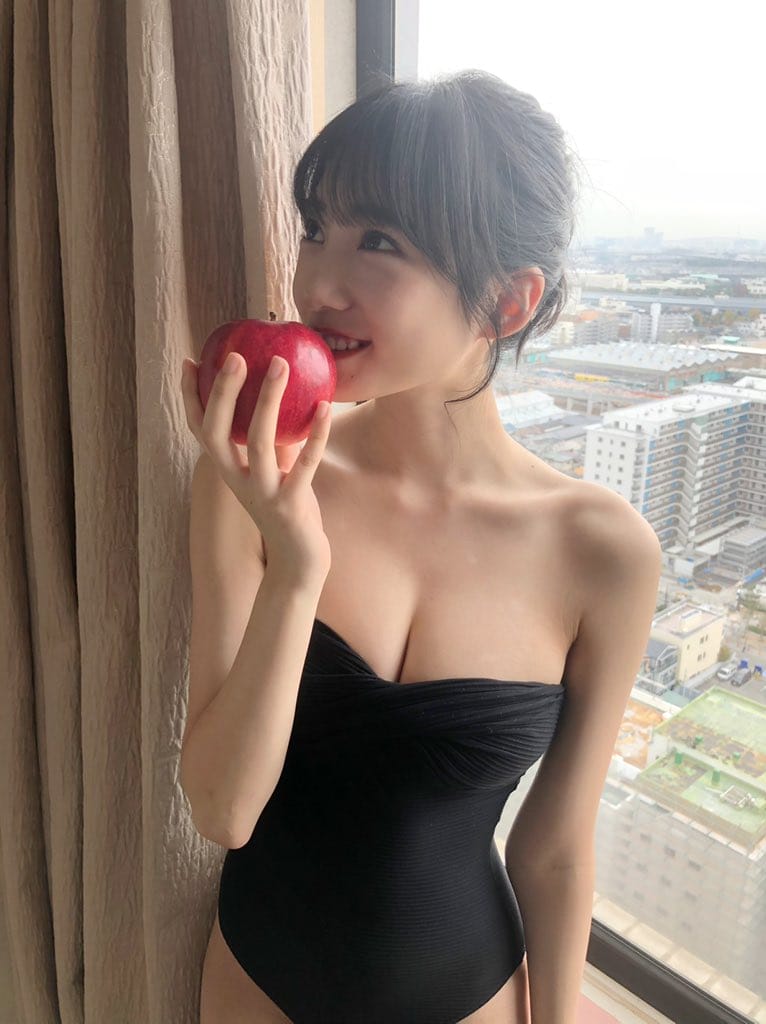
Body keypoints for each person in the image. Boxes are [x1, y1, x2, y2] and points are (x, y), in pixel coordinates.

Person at [180, 69, 662, 1024]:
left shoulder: (603, 551)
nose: (317, 284)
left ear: (507, 303)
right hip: (252, 992)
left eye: (380, 243)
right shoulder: (254, 475)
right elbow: (222, 811)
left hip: (475, 998)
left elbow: (554, 852)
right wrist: (296, 571)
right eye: (317, 229)